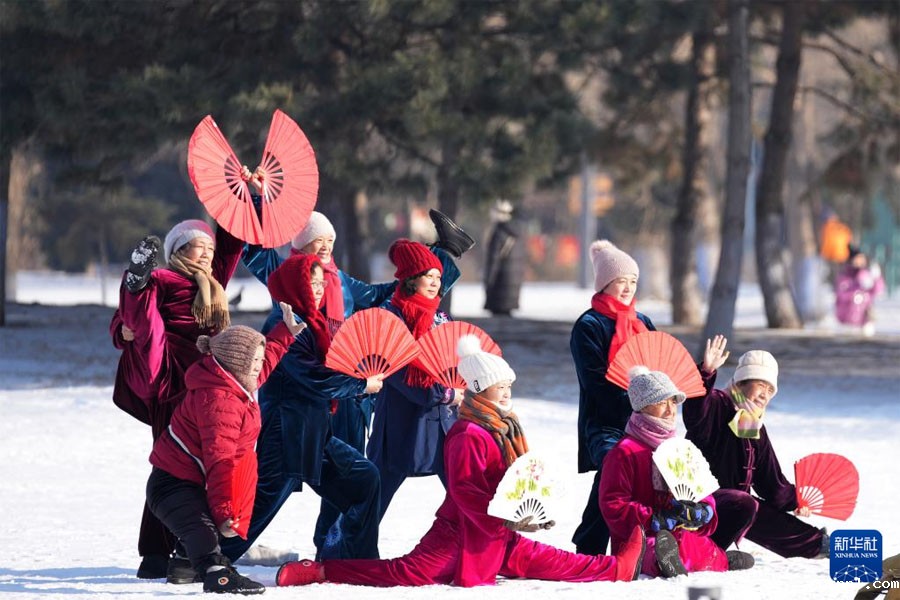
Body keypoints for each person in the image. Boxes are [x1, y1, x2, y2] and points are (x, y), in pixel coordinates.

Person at [275, 335, 647, 587]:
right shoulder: (468, 433)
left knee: (552, 560)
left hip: (496, 532)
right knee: (399, 573)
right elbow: (466, 492)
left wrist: (529, 506)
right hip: (456, 534)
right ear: (480, 389)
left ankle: (617, 568)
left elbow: (516, 480)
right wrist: (507, 516)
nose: (507, 393)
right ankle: (321, 571)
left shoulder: (502, 426)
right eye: (501, 387)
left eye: (509, 387)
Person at [239, 209, 467, 550]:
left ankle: (331, 546)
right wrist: (257, 202)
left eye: (330, 240)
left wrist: (435, 261)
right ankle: (212, 549)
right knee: (276, 486)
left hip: (348, 393)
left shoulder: (341, 280)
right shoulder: (286, 275)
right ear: (301, 244)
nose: (326, 246)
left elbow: (394, 294)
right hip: (303, 400)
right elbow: (253, 251)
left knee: (350, 480)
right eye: (318, 240)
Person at [220, 254, 384, 564]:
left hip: (315, 431)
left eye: (322, 283)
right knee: (261, 505)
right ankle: (203, 557)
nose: (319, 289)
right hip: (288, 432)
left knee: (364, 480)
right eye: (312, 283)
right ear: (297, 285)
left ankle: (356, 560)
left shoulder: (315, 320)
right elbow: (315, 377)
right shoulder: (286, 324)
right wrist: (360, 384)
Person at [110, 217, 244, 580]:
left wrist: (248, 199)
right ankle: (161, 553)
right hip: (168, 380)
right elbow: (124, 317)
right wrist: (122, 331)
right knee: (172, 468)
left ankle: (173, 551)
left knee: (191, 469)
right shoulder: (165, 278)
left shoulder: (213, 283)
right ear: (179, 250)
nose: (208, 253)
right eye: (200, 246)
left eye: (210, 248)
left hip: (205, 387)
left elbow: (231, 243)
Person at [145, 304, 304, 595]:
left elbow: (266, 361)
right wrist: (224, 513)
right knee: (207, 530)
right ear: (236, 362)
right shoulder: (220, 401)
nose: (258, 365)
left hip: (190, 481)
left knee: (210, 523)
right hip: (171, 486)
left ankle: (183, 565)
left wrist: (285, 334)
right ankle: (217, 575)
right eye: (253, 360)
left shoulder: (232, 379)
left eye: (259, 359)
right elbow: (220, 459)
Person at [599, 366, 754, 577]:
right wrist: (655, 518)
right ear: (642, 406)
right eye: (661, 402)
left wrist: (704, 509)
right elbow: (613, 505)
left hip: (679, 532)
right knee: (651, 550)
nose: (670, 410)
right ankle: (666, 561)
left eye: (673, 402)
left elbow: (699, 487)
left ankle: (720, 559)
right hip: (640, 536)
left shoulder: (677, 448)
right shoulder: (624, 452)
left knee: (697, 547)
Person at [684, 343, 830, 559]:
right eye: (761, 385)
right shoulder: (717, 404)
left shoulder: (754, 427)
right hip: (696, 505)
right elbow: (695, 411)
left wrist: (798, 500)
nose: (765, 395)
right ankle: (705, 554)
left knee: (752, 507)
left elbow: (772, 485)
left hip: (734, 509)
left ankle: (818, 544)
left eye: (770, 390)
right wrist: (705, 372)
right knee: (744, 503)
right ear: (742, 382)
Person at [367, 239, 466, 520]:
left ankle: (481, 545)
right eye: (428, 276)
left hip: (443, 422)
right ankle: (344, 545)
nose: (435, 283)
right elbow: (397, 369)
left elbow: (453, 360)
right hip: (401, 419)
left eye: (438, 277)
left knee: (464, 496)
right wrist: (444, 393)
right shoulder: (391, 316)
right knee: (375, 497)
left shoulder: (441, 317)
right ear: (411, 279)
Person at [570, 240, 655, 555]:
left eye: (633, 281)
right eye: (621, 280)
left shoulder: (643, 322)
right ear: (605, 283)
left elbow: (662, 368)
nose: (628, 287)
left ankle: (645, 547)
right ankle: (589, 548)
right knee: (613, 467)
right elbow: (594, 382)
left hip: (646, 423)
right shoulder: (588, 325)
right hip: (604, 423)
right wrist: (635, 402)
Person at [483, 200, 525, 317]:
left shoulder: (499, 232)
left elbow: (493, 261)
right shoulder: (517, 233)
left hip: (498, 288)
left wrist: (488, 281)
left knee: (497, 323)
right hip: (512, 288)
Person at [835, 245, 885, 337]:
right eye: (857, 259)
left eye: (862, 259)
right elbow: (841, 294)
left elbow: (877, 291)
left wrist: (877, 278)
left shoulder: (866, 274)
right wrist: (856, 294)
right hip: (846, 322)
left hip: (864, 322)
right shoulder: (845, 275)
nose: (860, 261)